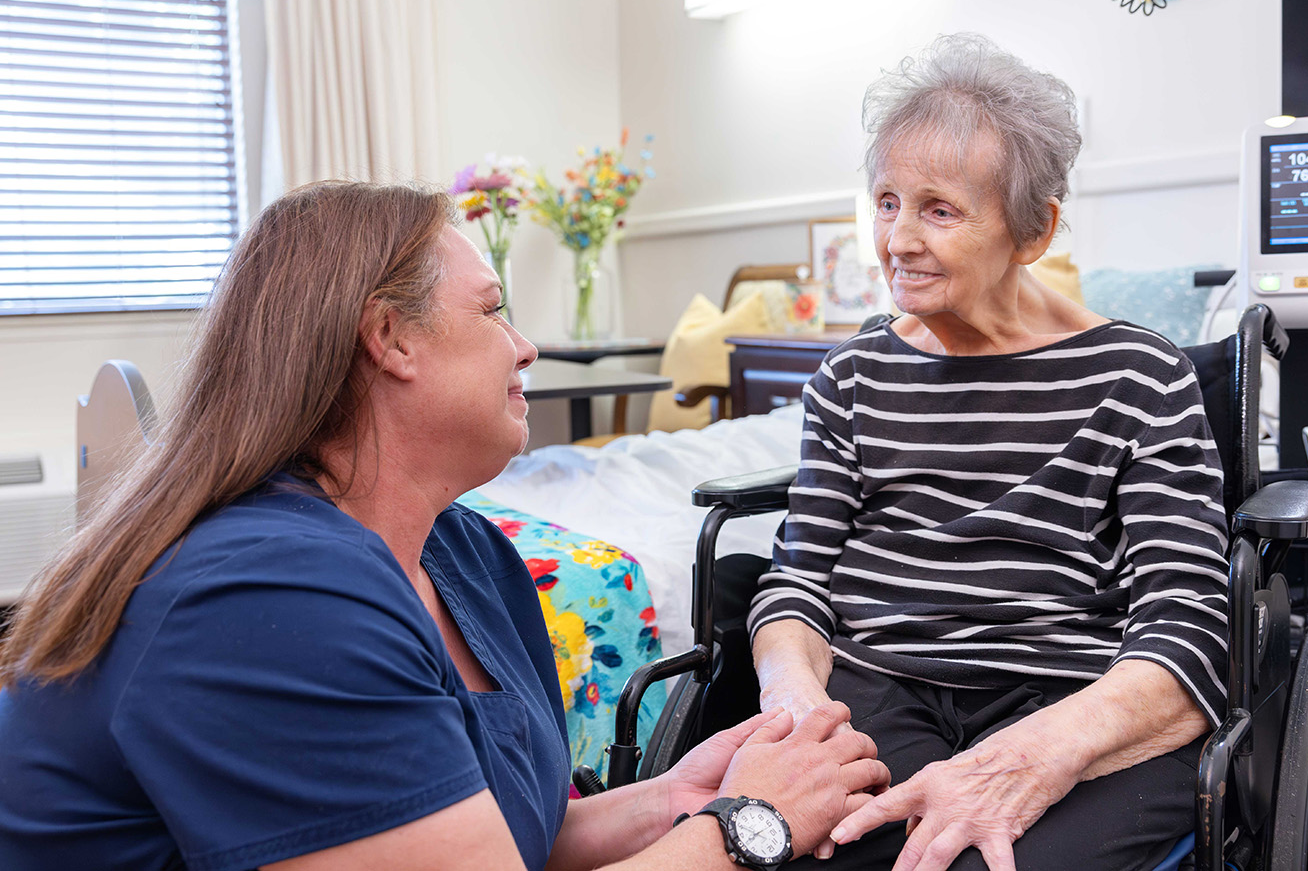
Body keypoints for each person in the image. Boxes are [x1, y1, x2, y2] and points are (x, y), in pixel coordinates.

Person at [0, 181, 889, 871]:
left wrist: (672, 799)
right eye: (494, 307)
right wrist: (752, 824)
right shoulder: (265, 597)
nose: (526, 344)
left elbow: (497, 831)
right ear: (390, 338)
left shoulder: (466, 553)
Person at [747, 34, 1229, 871]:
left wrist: (1023, 761)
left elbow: (1184, 628)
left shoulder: (1140, 375)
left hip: (1076, 700)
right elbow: (797, 585)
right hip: (880, 686)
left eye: (939, 210)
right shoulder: (852, 377)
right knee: (811, 850)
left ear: (1033, 230)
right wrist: (793, 702)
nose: (897, 240)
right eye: (887, 202)